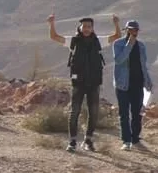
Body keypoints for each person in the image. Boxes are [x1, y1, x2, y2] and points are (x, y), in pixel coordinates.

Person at [48, 13, 122, 153]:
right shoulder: (73, 41)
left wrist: (116, 23)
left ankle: (88, 141)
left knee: (93, 112)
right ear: (80, 28)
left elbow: (117, 36)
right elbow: (54, 37)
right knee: (74, 111)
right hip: (78, 83)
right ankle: (72, 141)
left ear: (92, 28)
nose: (87, 29)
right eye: (84, 26)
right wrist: (51, 24)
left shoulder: (98, 41)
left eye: (89, 26)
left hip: (94, 83)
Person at [112, 20, 152, 151]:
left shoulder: (141, 46)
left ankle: (135, 138)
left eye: (135, 30)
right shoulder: (118, 44)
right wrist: (129, 44)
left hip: (138, 83)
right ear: (126, 30)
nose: (133, 32)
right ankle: (126, 140)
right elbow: (119, 60)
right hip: (123, 84)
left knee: (137, 112)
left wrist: (148, 80)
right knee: (124, 113)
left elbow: (143, 65)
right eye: (131, 30)